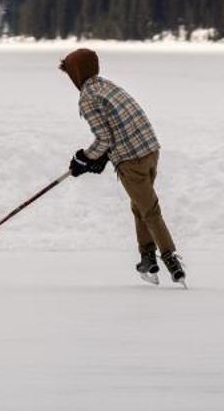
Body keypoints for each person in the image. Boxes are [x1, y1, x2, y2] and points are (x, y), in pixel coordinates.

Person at [60, 47, 185, 286]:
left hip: (131, 159)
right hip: (150, 149)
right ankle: (147, 258)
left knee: (150, 210)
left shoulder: (87, 98)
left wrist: (84, 159)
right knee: (141, 205)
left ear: (77, 72)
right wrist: (100, 158)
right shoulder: (107, 85)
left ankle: (171, 259)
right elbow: (119, 125)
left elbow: (104, 138)